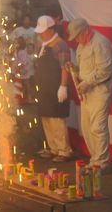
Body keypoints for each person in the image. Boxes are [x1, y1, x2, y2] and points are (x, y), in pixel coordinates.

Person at [67, 17, 112, 170]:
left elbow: (106, 69)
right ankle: (95, 159)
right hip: (88, 92)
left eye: (77, 36)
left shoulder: (100, 43)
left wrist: (87, 83)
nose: (76, 40)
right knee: (88, 127)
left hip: (101, 90)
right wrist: (74, 68)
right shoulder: (82, 46)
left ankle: (102, 162)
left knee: (97, 127)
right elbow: (85, 69)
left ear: (85, 31)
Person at [33, 15, 73, 162]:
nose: (40, 34)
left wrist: (63, 86)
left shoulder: (60, 45)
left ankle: (64, 150)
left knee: (57, 118)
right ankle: (53, 148)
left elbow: (65, 67)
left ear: (51, 29)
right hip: (44, 88)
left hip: (56, 87)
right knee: (46, 116)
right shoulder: (42, 44)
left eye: (42, 31)